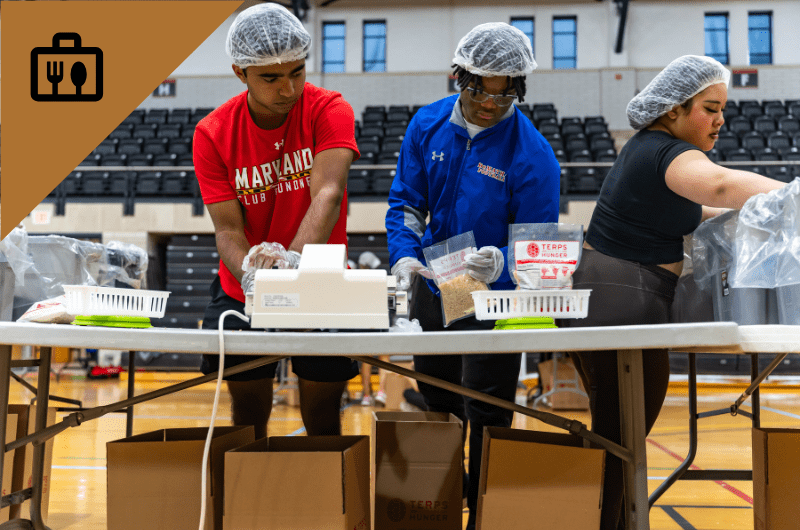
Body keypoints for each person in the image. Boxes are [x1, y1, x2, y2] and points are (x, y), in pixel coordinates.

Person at [563, 55, 785, 530]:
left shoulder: (654, 153)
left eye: (722, 108)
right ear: (673, 111)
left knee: (621, 433)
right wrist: (792, 197)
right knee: (619, 436)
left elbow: (699, 211)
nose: (721, 119)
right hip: (620, 298)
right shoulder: (664, 151)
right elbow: (721, 185)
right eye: (710, 107)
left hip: (622, 295)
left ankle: (613, 522)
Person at [385, 22, 561, 529]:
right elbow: (407, 204)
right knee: (437, 402)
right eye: (478, 89)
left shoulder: (534, 156)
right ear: (457, 76)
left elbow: (535, 241)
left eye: (503, 95)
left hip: (494, 299)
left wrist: (504, 260)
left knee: (489, 406)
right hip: (434, 286)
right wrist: (404, 256)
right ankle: (438, 506)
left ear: (518, 90)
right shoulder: (426, 125)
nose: (489, 103)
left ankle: (485, 510)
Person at [193, 3, 360, 440]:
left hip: (320, 280)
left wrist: (290, 264)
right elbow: (228, 229)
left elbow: (327, 193)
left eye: (297, 72)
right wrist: (252, 275)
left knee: (322, 413)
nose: (288, 88)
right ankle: (250, 501)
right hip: (242, 287)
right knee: (248, 414)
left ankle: (328, 503)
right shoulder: (213, 133)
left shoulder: (330, 109)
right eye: (270, 77)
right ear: (240, 72)